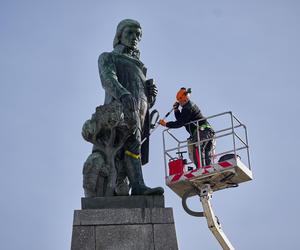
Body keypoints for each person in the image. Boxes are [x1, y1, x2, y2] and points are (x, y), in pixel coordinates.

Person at [95, 19, 163, 195]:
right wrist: (124, 94)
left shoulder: (140, 66)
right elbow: (108, 79)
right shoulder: (108, 57)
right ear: (119, 35)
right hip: (118, 112)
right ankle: (129, 187)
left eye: (138, 35)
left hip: (138, 114)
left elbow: (141, 97)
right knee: (123, 148)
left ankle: (134, 186)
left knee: (133, 148)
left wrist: (150, 96)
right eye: (130, 33)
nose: (135, 38)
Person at [159, 87, 215, 167]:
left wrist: (166, 124)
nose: (180, 103)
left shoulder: (188, 108)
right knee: (205, 152)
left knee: (198, 149)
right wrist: (176, 110)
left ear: (184, 100)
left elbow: (180, 123)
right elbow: (182, 120)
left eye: (180, 101)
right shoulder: (187, 107)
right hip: (207, 131)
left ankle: (201, 169)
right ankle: (208, 168)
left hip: (203, 131)